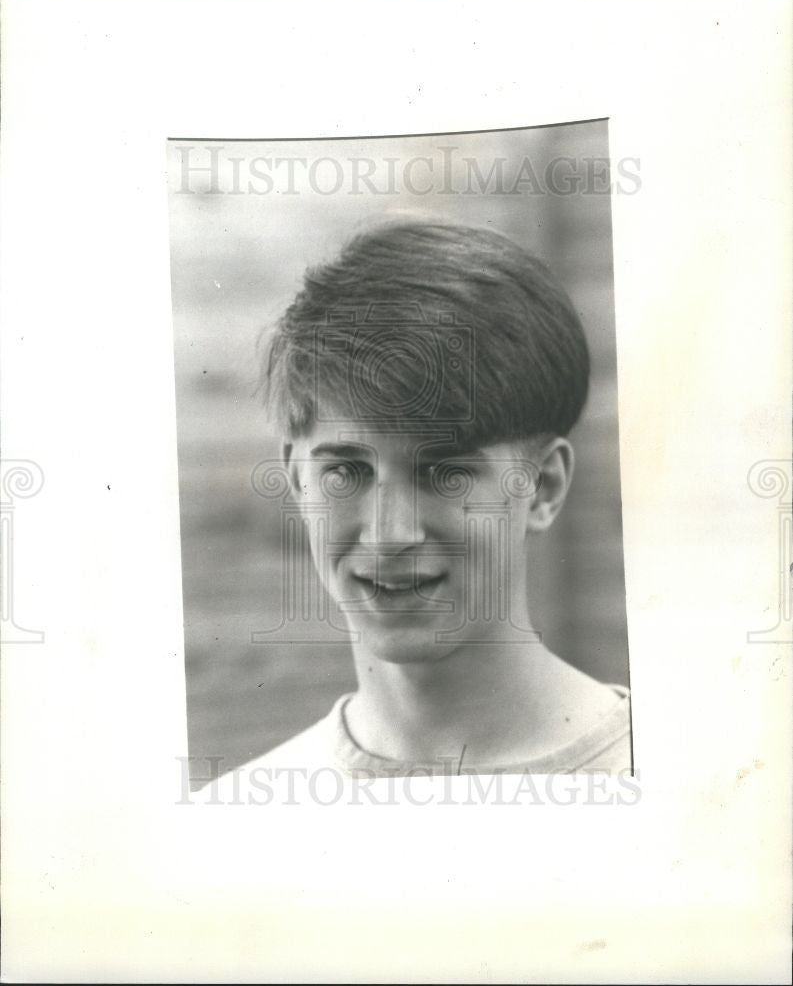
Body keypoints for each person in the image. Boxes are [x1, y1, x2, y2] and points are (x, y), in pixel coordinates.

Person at [206, 217, 631, 791]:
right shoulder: (235, 819)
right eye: (346, 471)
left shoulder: (689, 791)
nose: (388, 534)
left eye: (444, 473)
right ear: (297, 478)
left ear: (544, 487)